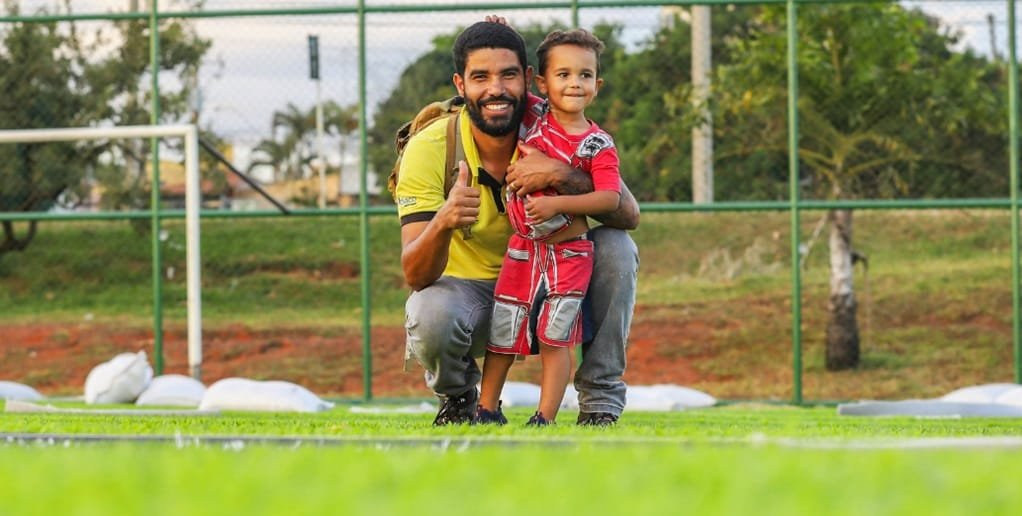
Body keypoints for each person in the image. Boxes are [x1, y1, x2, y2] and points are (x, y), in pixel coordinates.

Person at [395, 18, 639, 427]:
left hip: (558, 278)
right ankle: (461, 401)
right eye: (480, 77)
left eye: (508, 74)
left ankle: (599, 403)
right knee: (428, 310)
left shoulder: (556, 122)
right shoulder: (430, 148)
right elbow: (415, 273)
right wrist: (444, 220)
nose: (496, 89)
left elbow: (627, 213)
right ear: (460, 84)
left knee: (616, 246)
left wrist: (558, 173)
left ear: (529, 79)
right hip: (478, 299)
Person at [474, 29, 620, 426]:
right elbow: (502, 86)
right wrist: (501, 31)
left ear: (597, 84)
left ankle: (545, 417)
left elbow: (610, 199)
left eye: (585, 76)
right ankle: (486, 409)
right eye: (564, 74)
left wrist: (557, 203)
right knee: (505, 327)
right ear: (542, 82)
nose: (574, 83)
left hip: (568, 255)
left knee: (557, 336)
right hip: (523, 250)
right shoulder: (535, 117)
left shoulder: (597, 144)